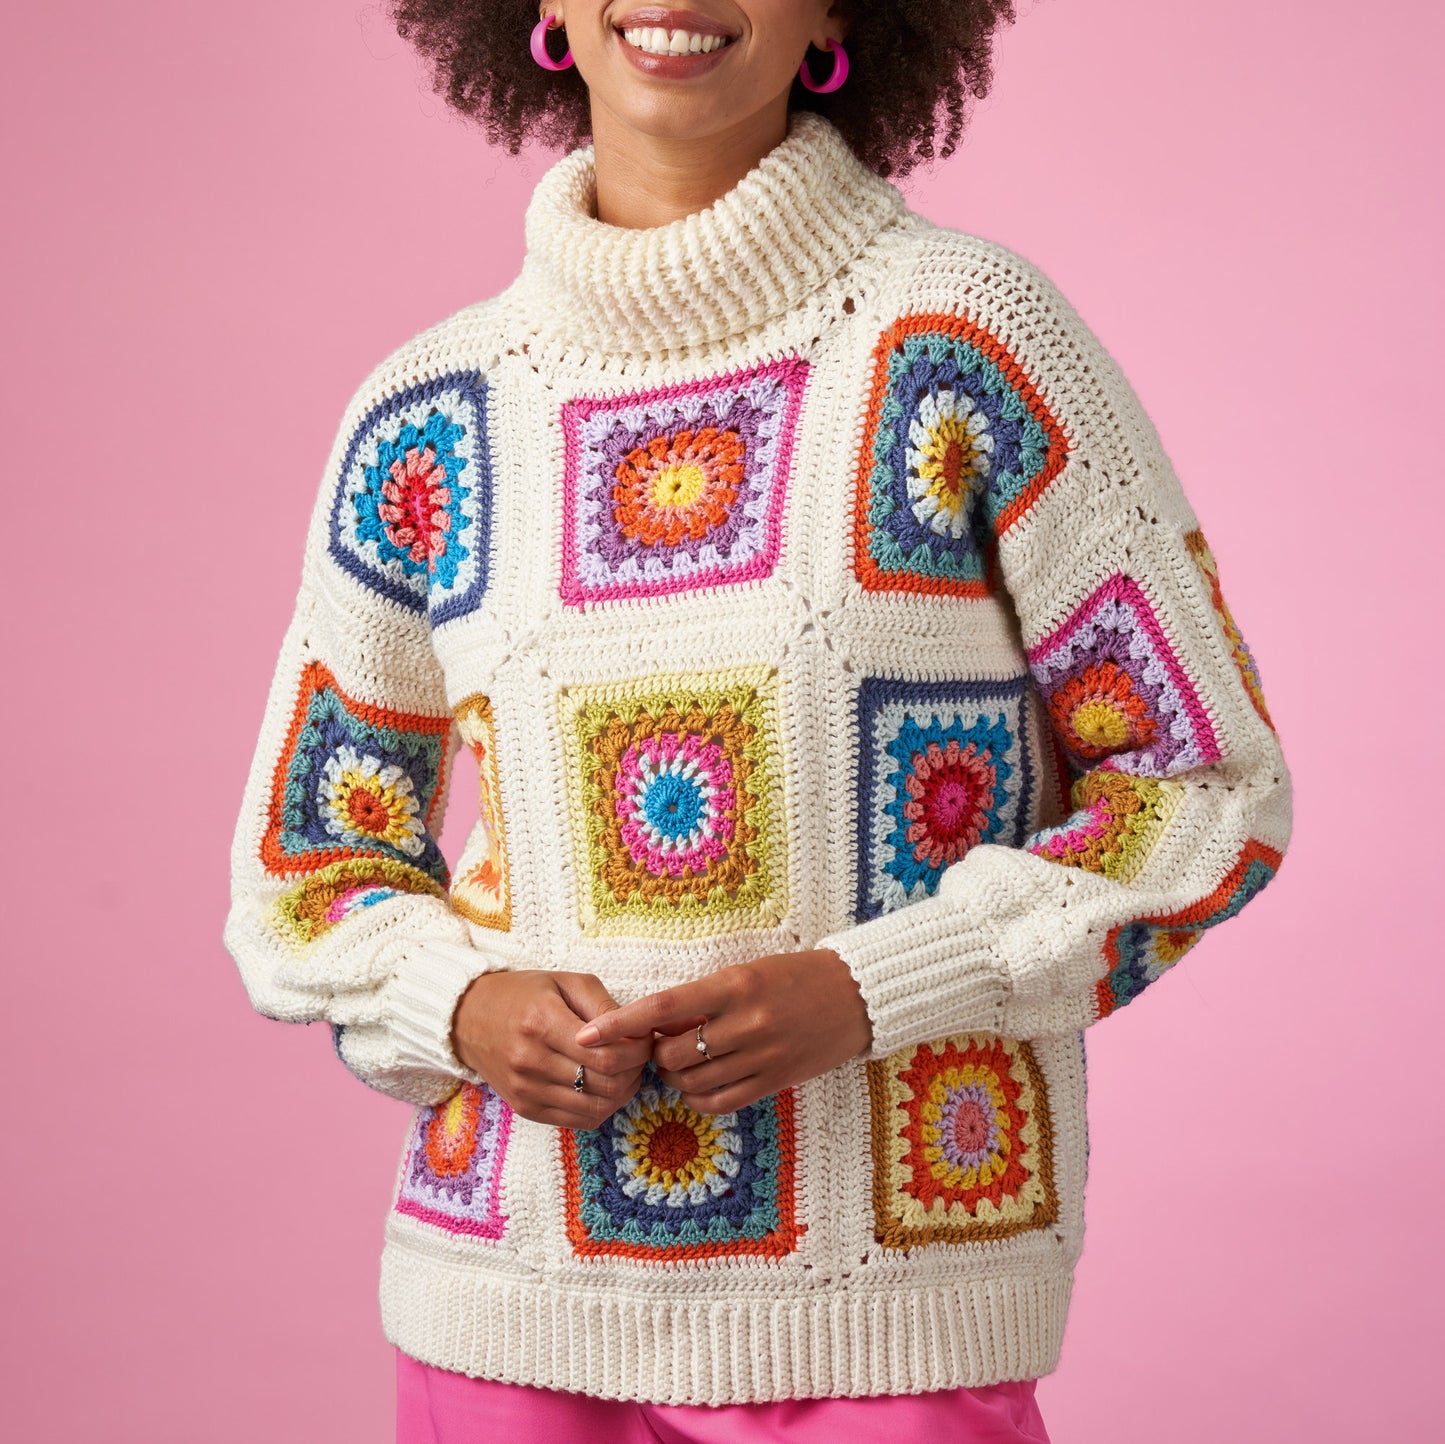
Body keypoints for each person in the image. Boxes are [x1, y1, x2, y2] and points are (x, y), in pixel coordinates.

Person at [223, 3, 1292, 1440]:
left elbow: (1201, 787)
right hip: (505, 1307)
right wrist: (461, 1008)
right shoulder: (428, 416)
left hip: (888, 1318)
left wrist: (871, 990)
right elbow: (307, 872)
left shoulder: (962, 341)